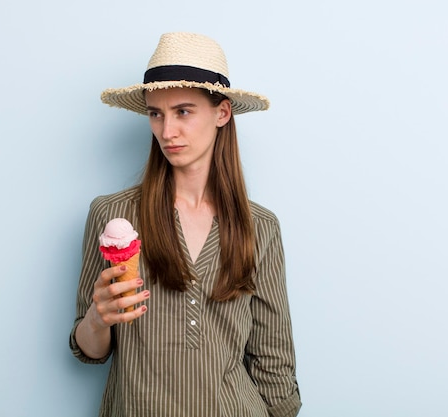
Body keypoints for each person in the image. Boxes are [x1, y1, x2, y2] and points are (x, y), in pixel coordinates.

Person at [70, 32, 302, 417]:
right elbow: (89, 351)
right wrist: (98, 318)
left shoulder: (260, 226)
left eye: (183, 111)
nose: (166, 131)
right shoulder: (112, 216)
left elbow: (273, 358)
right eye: (155, 113)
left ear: (222, 114)